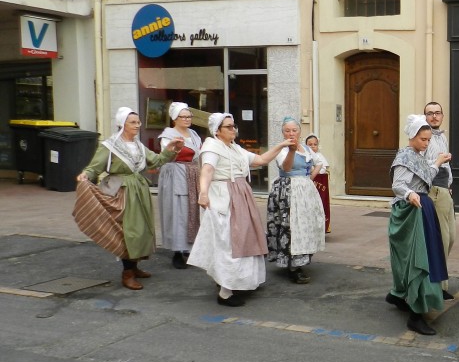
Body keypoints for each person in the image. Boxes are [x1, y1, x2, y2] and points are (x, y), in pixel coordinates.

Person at [187, 113, 296, 307]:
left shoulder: (235, 148)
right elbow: (207, 170)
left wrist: (282, 145)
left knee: (243, 239)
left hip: (240, 195)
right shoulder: (212, 147)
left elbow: (261, 160)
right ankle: (225, 291)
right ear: (217, 131)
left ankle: (239, 281)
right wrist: (203, 192)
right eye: (228, 126)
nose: (233, 129)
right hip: (223, 197)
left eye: (233, 125)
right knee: (228, 243)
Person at [73, 107, 182, 290]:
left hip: (139, 189)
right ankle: (127, 273)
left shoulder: (138, 145)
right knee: (129, 232)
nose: (137, 125)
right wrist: (85, 175)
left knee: (142, 230)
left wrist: (170, 150)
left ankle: (135, 266)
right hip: (122, 190)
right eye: (133, 122)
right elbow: (95, 167)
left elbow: (155, 161)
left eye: (138, 122)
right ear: (122, 124)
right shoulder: (110, 146)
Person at [385, 114, 452, 336]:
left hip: (423, 208)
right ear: (413, 137)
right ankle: (416, 316)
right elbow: (399, 185)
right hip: (412, 211)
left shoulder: (418, 155)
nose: (426, 143)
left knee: (425, 257)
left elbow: (424, 178)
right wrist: (410, 194)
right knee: (419, 261)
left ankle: (398, 294)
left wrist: (438, 163)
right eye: (423, 139)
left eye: (428, 139)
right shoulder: (405, 156)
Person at [265, 117, 327, 284]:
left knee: (304, 225)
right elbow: (285, 168)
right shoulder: (282, 149)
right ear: (283, 133)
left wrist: (308, 178)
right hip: (288, 190)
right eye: (287, 131)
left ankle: (300, 261)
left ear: (300, 132)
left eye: (294, 130)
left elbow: (320, 162)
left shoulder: (306, 148)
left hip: (305, 190)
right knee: (291, 226)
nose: (291, 133)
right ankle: (293, 266)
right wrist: (291, 151)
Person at [157, 101, 202, 269]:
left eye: (189, 116)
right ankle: (177, 251)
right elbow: (167, 156)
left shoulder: (194, 134)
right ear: (175, 118)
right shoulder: (168, 135)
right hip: (176, 175)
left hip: (193, 174)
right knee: (179, 212)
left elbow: (198, 155)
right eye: (183, 116)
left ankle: (190, 248)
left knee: (193, 211)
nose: (187, 119)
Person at [423, 101, 456, 299]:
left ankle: (439, 282)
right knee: (440, 240)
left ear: (442, 116)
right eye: (430, 113)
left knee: (450, 238)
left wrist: (450, 184)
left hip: (444, 190)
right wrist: (438, 162)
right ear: (424, 116)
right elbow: (417, 164)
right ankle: (439, 287)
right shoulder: (423, 137)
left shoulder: (441, 136)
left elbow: (447, 166)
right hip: (432, 189)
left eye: (437, 113)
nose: (434, 116)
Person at [305, 134, 331, 234]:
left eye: (315, 144)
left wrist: (316, 170)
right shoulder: (304, 155)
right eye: (310, 144)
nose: (312, 146)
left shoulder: (319, 156)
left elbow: (323, 168)